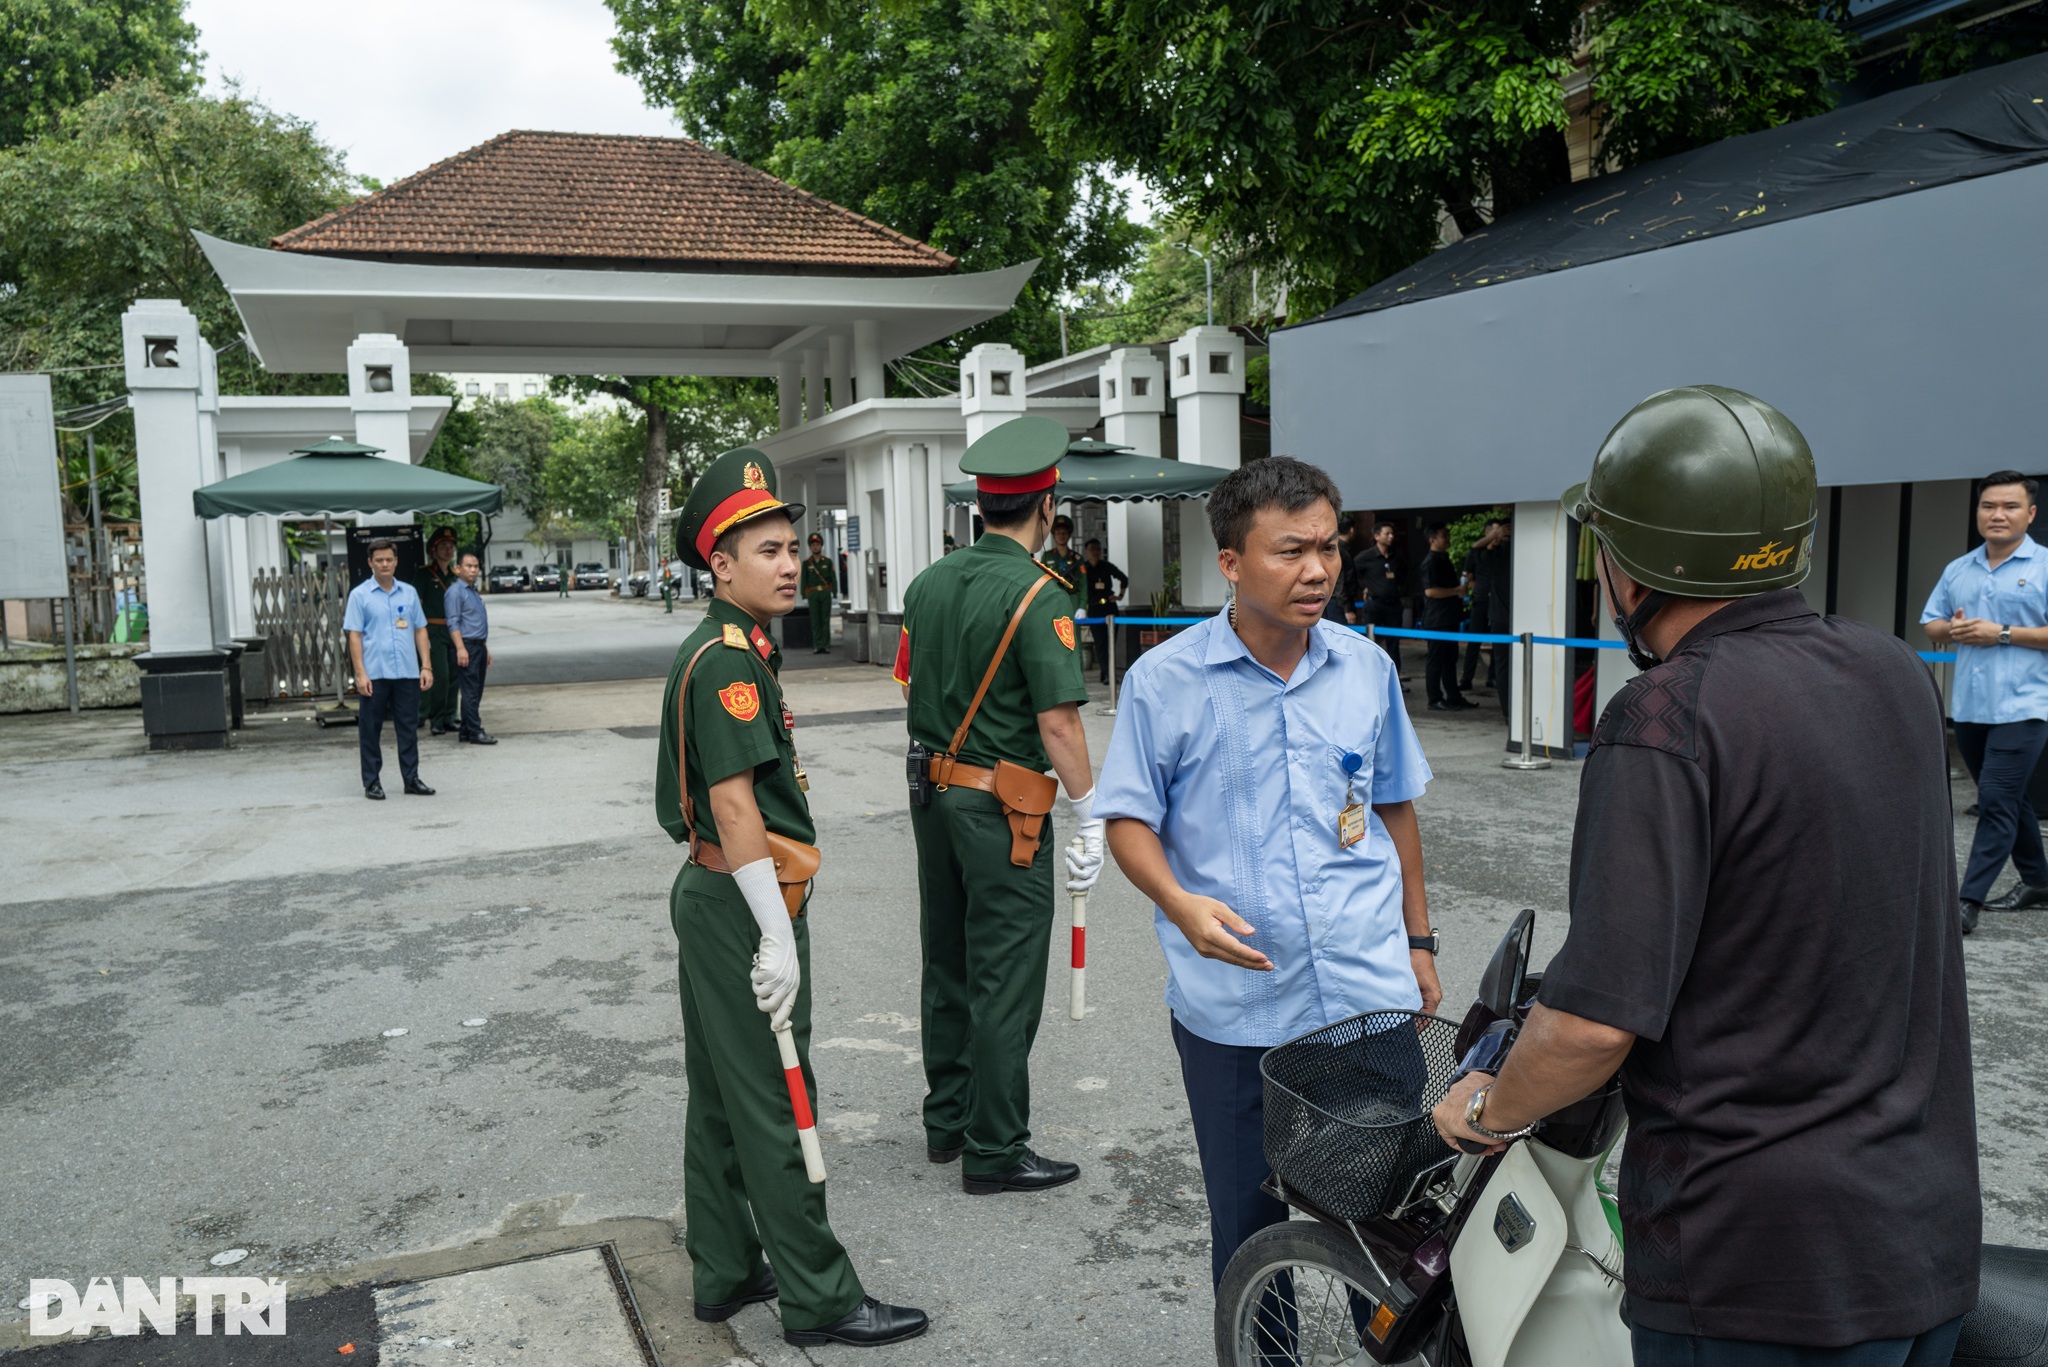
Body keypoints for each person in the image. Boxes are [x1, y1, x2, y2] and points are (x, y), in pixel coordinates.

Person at [1433, 386, 1978, 1367]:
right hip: (1919, 1232)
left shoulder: (1664, 716)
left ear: (1630, 564)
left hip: (1753, 1269)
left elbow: (1594, 1019)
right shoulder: (1890, 670)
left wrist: (1485, 1106)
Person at [1097, 457, 1438, 1292]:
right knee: (1249, 1231)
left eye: (1325, 546)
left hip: (1368, 996)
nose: (1317, 570)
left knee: (1389, 1226)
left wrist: (1420, 943)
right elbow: (1128, 819)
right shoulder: (1163, 682)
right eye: (1289, 550)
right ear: (1232, 562)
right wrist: (1179, 903)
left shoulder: (1366, 670)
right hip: (1237, 1012)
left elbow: (1394, 807)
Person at [659, 448, 928, 1348]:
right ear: (719, 564)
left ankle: (727, 1268)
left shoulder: (730, 648)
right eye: (766, 549)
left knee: (719, 1094)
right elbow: (736, 807)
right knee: (779, 1095)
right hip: (744, 898)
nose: (788, 563)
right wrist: (774, 931)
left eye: (791, 547)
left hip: (719, 894)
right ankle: (820, 1296)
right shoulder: (726, 664)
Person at [891, 414, 1104, 1195]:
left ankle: (947, 1121)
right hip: (1003, 808)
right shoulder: (1040, 594)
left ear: (980, 506)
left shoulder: (927, 583)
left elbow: (909, 684)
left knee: (945, 960)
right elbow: (1058, 720)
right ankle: (996, 1145)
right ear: (1048, 505)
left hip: (930, 791)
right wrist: (1090, 813)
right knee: (1005, 974)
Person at [1922, 470, 2048, 932]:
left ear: (2030, 514)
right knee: (2009, 800)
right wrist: (1954, 629)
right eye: (1989, 506)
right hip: (1971, 707)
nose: (1998, 515)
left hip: (2026, 704)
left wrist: (2002, 633)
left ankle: (1965, 902)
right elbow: (1931, 624)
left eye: (2010, 506)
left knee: (1995, 800)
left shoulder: (2044, 567)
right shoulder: (1960, 568)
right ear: (1977, 512)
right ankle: (2039, 881)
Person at [344, 538, 435, 800]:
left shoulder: (408, 592)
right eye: (379, 560)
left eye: (389, 559)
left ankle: (411, 779)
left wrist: (426, 666)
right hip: (375, 674)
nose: (385, 564)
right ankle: (372, 781)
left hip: (406, 672)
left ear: (396, 561)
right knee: (370, 729)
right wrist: (360, 674)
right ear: (370, 563)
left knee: (408, 728)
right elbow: (354, 636)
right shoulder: (359, 595)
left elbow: (420, 629)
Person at [410, 527, 461, 736]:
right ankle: (437, 719)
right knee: (440, 675)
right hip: (433, 630)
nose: (448, 551)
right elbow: (415, 604)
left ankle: (450, 716)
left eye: (451, 547)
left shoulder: (456, 577)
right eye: (443, 547)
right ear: (433, 550)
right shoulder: (424, 574)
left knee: (455, 675)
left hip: (454, 631)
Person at [1419, 524, 1475, 710]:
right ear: (1432, 539)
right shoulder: (1430, 562)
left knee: (1450, 659)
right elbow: (1431, 591)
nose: (1448, 539)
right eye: (1444, 536)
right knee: (1436, 660)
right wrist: (1455, 591)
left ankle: (1453, 695)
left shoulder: (1444, 558)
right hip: (1437, 619)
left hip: (1449, 617)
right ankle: (1434, 698)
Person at [445, 550, 495, 745]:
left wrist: (485, 648)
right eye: (468, 566)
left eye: (476, 566)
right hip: (466, 646)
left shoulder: (472, 591)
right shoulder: (455, 592)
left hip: (478, 646)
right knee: (470, 691)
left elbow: (475, 622)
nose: (473, 570)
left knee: (476, 690)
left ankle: (466, 730)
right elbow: (453, 622)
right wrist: (460, 648)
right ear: (458, 569)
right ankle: (475, 730)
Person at [1354, 520, 1407, 681]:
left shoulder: (1396, 555)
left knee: (1394, 644)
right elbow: (1352, 573)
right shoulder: (1366, 557)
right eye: (1387, 533)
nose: (1391, 537)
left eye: (1392, 534)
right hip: (1375, 604)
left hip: (1393, 605)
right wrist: (1364, 587)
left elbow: (1405, 574)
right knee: (1371, 643)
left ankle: (1394, 680)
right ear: (1377, 536)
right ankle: (1370, 679)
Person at [1458, 518, 1502, 692]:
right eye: (1495, 532)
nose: (1498, 536)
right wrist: (1473, 587)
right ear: (1487, 533)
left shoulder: (1503, 551)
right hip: (1480, 600)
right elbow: (1467, 574)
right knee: (1474, 642)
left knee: (1498, 642)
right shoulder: (1476, 552)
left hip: (1498, 603)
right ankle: (1466, 678)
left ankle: (1493, 677)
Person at [1081, 538, 1129, 686]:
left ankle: (1107, 673)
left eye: (1098, 549)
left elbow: (1124, 579)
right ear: (1086, 552)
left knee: (1110, 643)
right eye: (1092, 549)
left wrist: (1119, 596)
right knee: (1100, 644)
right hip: (1094, 609)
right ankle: (1107, 674)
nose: (1095, 552)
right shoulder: (1083, 568)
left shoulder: (1106, 566)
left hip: (1109, 608)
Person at [1042, 514, 1086, 614]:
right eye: (1058, 533)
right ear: (1053, 535)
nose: (1061, 536)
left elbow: (1083, 584)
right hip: (1052, 599)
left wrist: (1082, 606)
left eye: (1064, 533)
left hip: (1072, 599)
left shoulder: (1077, 558)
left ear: (1069, 535)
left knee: (1073, 629)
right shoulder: (1047, 557)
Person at [801, 533, 837, 653]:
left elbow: (833, 578)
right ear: (810, 547)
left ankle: (825, 645)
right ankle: (818, 645)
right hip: (813, 593)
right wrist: (804, 595)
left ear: (821, 546)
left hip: (825, 593)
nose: (815, 547)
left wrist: (835, 593)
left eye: (817, 544)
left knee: (825, 620)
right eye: (813, 545)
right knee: (815, 620)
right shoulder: (807, 563)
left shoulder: (827, 562)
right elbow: (804, 580)